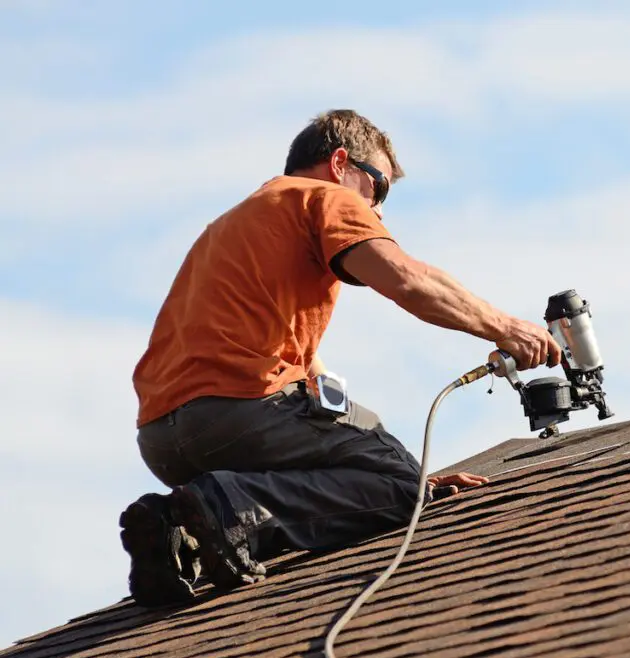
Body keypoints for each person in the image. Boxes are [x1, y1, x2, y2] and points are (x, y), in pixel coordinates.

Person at [120, 109, 562, 607]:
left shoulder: (233, 225)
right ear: (339, 163)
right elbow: (407, 280)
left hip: (161, 438)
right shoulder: (324, 198)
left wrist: (396, 471)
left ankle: (181, 536)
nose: (378, 210)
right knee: (401, 489)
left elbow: (313, 386)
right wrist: (507, 328)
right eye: (378, 189)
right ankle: (230, 507)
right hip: (239, 411)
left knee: (388, 471)